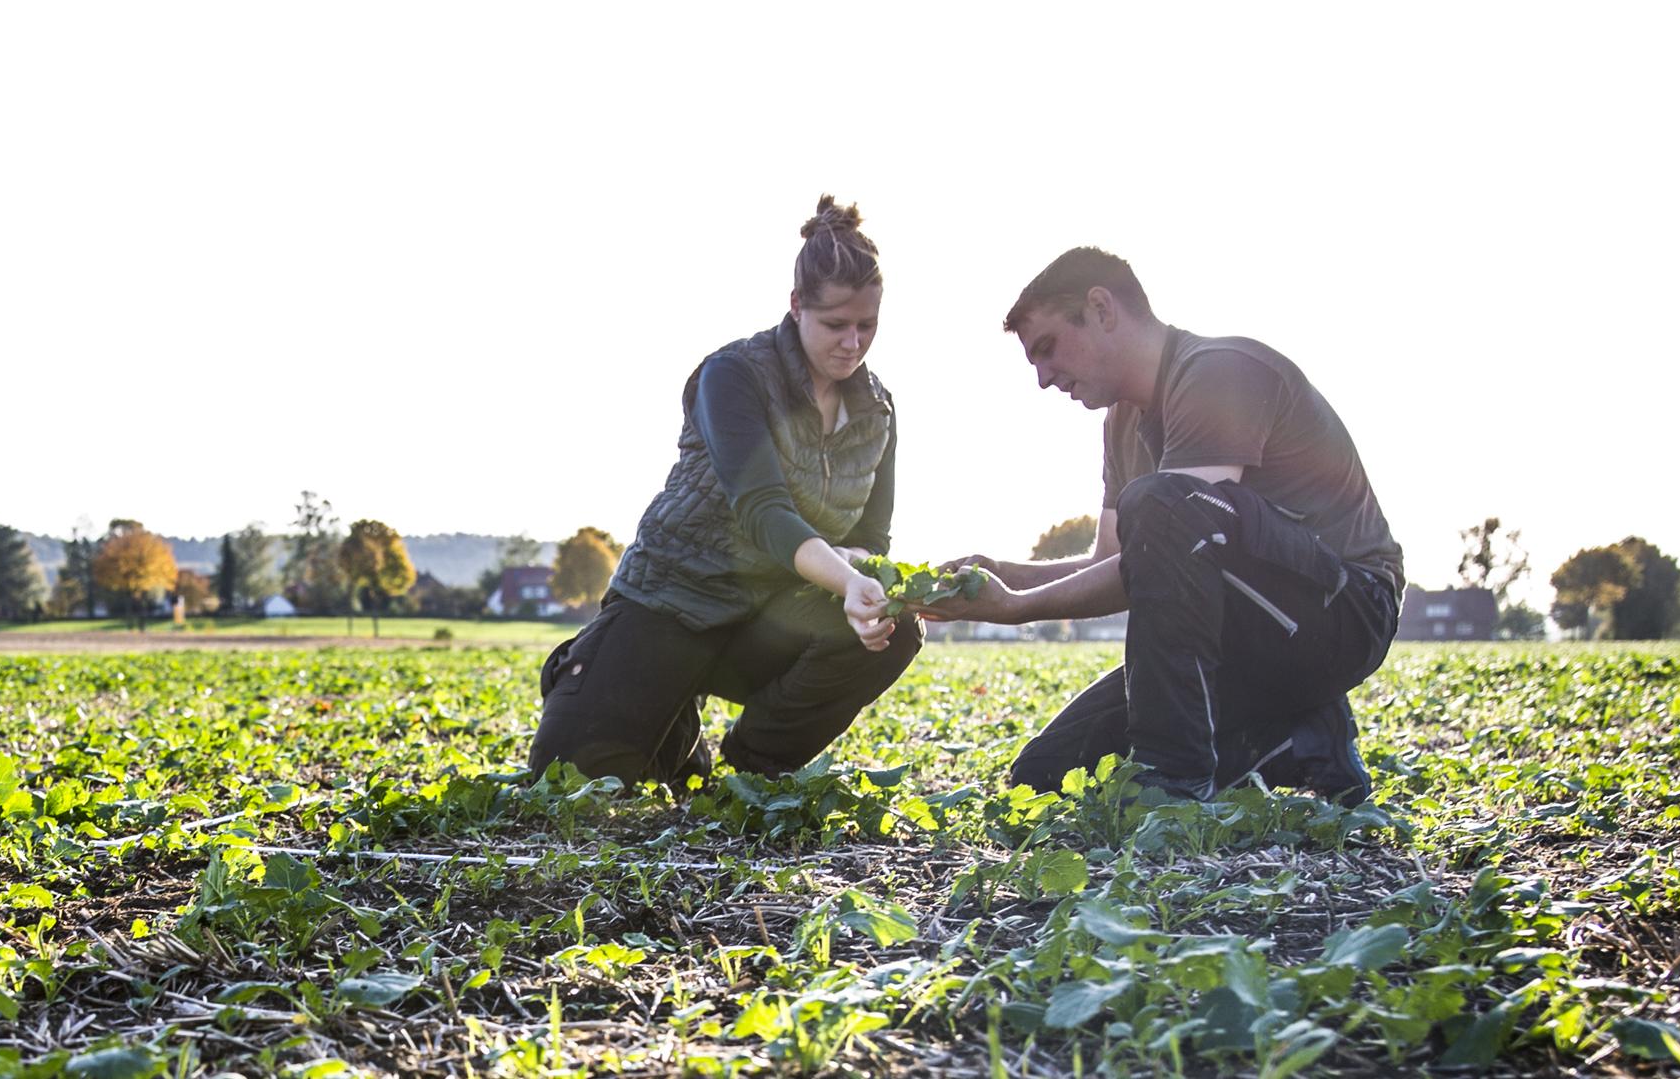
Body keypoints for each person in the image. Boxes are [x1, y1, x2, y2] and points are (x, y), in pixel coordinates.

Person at [912, 247, 1395, 803]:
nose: (1044, 378)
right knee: (1046, 772)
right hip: (1237, 637)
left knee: (1164, 503)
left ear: (1101, 308)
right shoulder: (1122, 421)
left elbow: (1178, 527)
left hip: (1344, 613)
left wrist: (1016, 610)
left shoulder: (1219, 372)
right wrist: (1002, 576)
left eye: (1047, 349)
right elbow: (1114, 563)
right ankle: (1306, 739)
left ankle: (1174, 781)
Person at [525, 197, 919, 785]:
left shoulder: (878, 410)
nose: (852, 343)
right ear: (796, 307)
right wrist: (846, 576)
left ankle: (756, 763)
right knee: (569, 777)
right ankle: (614, 679)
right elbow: (764, 510)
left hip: (769, 619)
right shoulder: (734, 375)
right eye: (836, 324)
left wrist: (867, 577)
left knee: (897, 629)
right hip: (675, 600)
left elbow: (868, 538)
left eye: (868, 326)